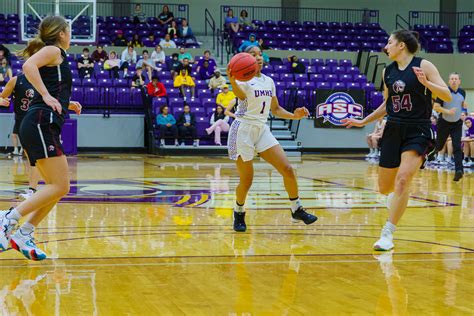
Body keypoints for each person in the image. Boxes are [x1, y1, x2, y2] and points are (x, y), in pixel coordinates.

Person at [341, 30, 452, 251]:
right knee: (384, 188)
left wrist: (426, 83)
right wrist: (363, 121)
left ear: (401, 45)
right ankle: (395, 199)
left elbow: (446, 95)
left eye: (389, 43)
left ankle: (388, 233)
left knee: (403, 180)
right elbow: (387, 104)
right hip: (393, 128)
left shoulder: (424, 65)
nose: (386, 46)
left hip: (418, 129)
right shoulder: (387, 72)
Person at [0, 15, 82, 261]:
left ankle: (25, 233)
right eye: (68, 31)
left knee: (59, 187)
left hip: (42, 123)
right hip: (39, 123)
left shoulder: (58, 56)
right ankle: (7, 219)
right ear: (61, 34)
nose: (70, 35)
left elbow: (50, 85)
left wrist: (67, 103)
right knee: (60, 186)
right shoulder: (52, 50)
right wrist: (46, 95)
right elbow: (28, 67)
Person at [226, 45, 317, 232]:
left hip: (261, 129)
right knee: (247, 180)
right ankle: (239, 211)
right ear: (245, 59)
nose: (258, 57)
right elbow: (240, 95)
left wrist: (294, 115)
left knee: (288, 169)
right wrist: (232, 81)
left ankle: (296, 208)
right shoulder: (242, 80)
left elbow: (275, 109)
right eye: (253, 55)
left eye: (260, 54)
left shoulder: (268, 81)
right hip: (242, 130)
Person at [0, 75, 42, 199]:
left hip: (37, 122)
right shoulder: (16, 80)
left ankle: (33, 189)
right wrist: (2, 100)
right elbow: (2, 96)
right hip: (21, 122)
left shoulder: (43, 79)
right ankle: (33, 189)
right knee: (31, 157)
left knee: (35, 158)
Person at [433, 72, 469, 181]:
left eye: (456, 79)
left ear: (459, 81)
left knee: (457, 146)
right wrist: (447, 111)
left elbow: (460, 103)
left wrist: (463, 106)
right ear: (449, 81)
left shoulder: (463, 92)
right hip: (444, 122)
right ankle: (427, 156)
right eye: (452, 79)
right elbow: (436, 107)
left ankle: (459, 170)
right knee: (439, 146)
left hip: (457, 123)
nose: (454, 80)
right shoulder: (444, 92)